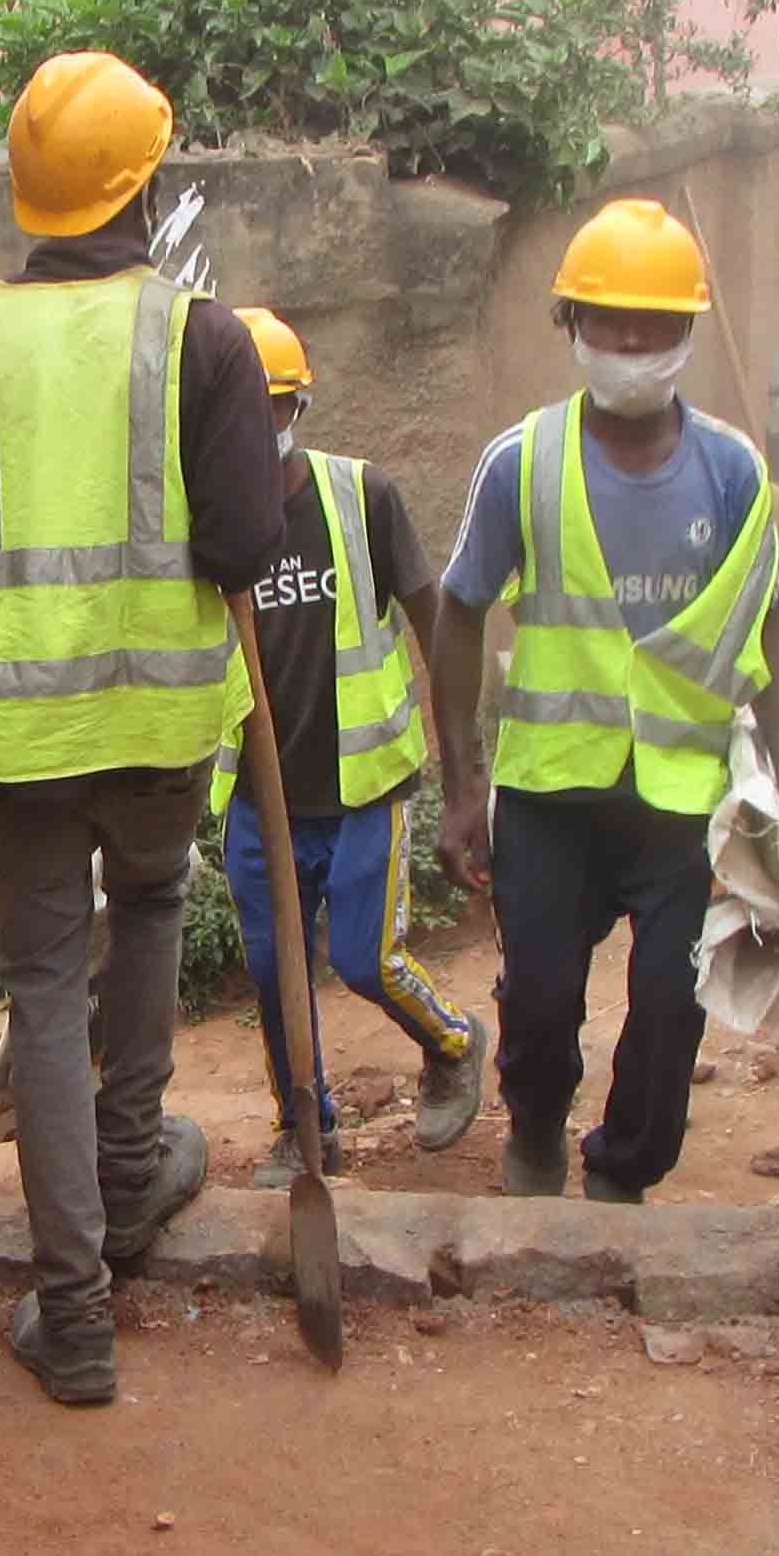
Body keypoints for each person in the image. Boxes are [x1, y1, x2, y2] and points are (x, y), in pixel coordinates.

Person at [0, 51, 276, 1408]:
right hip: (161, 722)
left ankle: (75, 1316)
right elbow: (242, 542)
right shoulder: (203, 340)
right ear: (148, 189)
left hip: (15, 737)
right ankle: (128, 1173)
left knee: (46, 987)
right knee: (156, 908)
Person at [429, 202, 779, 1207]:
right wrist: (462, 786)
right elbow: (458, 611)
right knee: (545, 998)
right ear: (569, 327)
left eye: (654, 329)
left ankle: (626, 1167)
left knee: (667, 1007)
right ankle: (537, 1127)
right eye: (610, 326)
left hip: (680, 800)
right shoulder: (520, 463)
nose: (632, 348)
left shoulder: (730, 471)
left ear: (688, 335)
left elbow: (768, 629)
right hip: (552, 795)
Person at [211, 309, 490, 1186]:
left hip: (363, 782)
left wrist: (460, 768)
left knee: (365, 960)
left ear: (298, 408)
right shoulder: (209, 525)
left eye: (275, 409)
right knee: (270, 969)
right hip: (265, 797)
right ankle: (306, 1125)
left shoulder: (361, 496)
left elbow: (431, 616)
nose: (259, 433)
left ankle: (452, 1043)